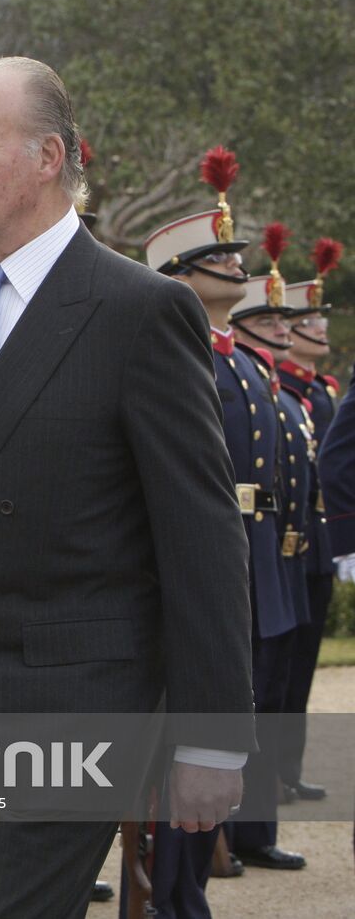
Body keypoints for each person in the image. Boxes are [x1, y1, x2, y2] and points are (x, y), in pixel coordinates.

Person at [0, 58, 254, 919]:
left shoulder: (138, 310)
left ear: (49, 157)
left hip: (75, 711)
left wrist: (214, 739)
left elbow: (201, 537)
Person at [226, 269, 309, 870]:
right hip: (230, 542)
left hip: (263, 547)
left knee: (268, 692)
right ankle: (216, 836)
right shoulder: (201, 359)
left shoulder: (250, 368)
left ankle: (253, 830)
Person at [278, 242, 342, 804]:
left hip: (315, 542)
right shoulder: (287, 388)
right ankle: (275, 775)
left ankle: (287, 769)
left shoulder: (319, 389)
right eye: (308, 320)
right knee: (279, 672)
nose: (319, 329)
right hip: (288, 541)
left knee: (299, 671)